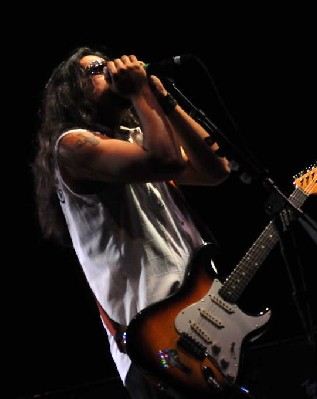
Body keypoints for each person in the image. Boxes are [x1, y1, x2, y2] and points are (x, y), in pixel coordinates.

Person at [32, 46, 232, 399]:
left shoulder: (135, 137)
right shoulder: (72, 146)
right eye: (97, 69)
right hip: (153, 344)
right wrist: (139, 93)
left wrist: (162, 98)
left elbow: (216, 170)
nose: (112, 70)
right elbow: (166, 160)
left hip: (201, 325)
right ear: (72, 91)